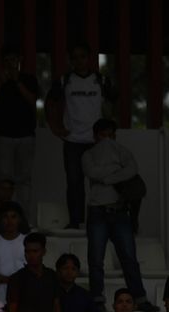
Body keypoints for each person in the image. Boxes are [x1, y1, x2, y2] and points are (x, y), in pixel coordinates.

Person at [81, 119, 158, 312]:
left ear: (115, 136)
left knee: (129, 259)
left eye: (110, 135)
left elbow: (132, 170)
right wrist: (117, 170)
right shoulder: (88, 154)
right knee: (96, 260)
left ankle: (139, 299)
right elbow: (91, 172)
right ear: (95, 136)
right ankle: (97, 301)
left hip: (120, 212)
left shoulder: (122, 151)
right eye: (103, 135)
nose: (107, 140)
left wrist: (106, 178)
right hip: (97, 212)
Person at [45, 42, 115, 231]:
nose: (79, 60)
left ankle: (97, 221)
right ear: (70, 60)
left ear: (89, 58)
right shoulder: (65, 80)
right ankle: (76, 222)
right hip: (73, 141)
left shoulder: (101, 80)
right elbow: (49, 102)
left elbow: (112, 106)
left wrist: (108, 134)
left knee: (100, 184)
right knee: (74, 183)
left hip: (96, 143)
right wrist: (55, 127)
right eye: (75, 57)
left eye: (83, 56)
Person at [0, 46, 40, 213]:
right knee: (3, 179)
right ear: (3, 62)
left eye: (14, 59)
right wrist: (0, 83)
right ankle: (2, 215)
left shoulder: (29, 79)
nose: (11, 63)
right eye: (7, 60)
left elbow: (32, 101)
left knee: (24, 179)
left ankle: (22, 217)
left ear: (20, 60)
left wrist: (17, 81)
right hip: (2, 136)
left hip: (25, 136)